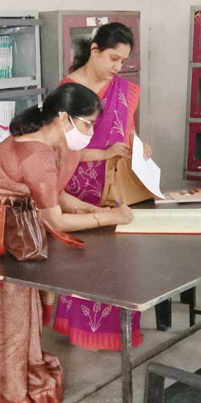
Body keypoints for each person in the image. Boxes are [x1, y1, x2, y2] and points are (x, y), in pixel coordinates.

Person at [0, 83, 133, 403]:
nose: (90, 133)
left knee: (10, 302)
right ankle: (1, 385)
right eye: (87, 124)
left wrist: (91, 210)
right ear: (64, 117)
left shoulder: (44, 140)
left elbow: (49, 194)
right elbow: (54, 218)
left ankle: (2, 374)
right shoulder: (38, 154)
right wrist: (109, 217)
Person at [53, 23, 149, 351]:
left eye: (123, 60)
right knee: (83, 263)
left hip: (116, 185)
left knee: (120, 263)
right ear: (94, 50)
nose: (118, 67)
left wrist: (139, 146)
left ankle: (117, 331)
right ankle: (82, 332)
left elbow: (127, 131)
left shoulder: (122, 89)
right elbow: (58, 148)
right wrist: (104, 154)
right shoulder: (68, 92)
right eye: (113, 58)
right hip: (76, 189)